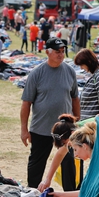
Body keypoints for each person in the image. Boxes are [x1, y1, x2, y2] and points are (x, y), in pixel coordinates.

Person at [21, 38, 80, 188]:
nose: (61, 55)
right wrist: (24, 130)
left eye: (62, 52)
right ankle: (32, 195)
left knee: (68, 164)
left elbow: (75, 98)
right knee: (36, 163)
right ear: (47, 52)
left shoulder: (70, 72)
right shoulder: (36, 73)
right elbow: (26, 103)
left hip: (66, 129)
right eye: (57, 52)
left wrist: (77, 122)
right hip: (41, 127)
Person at [75, 48, 99, 119]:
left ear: (88, 62)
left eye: (82, 65)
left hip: (93, 124)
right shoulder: (95, 75)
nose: (81, 68)